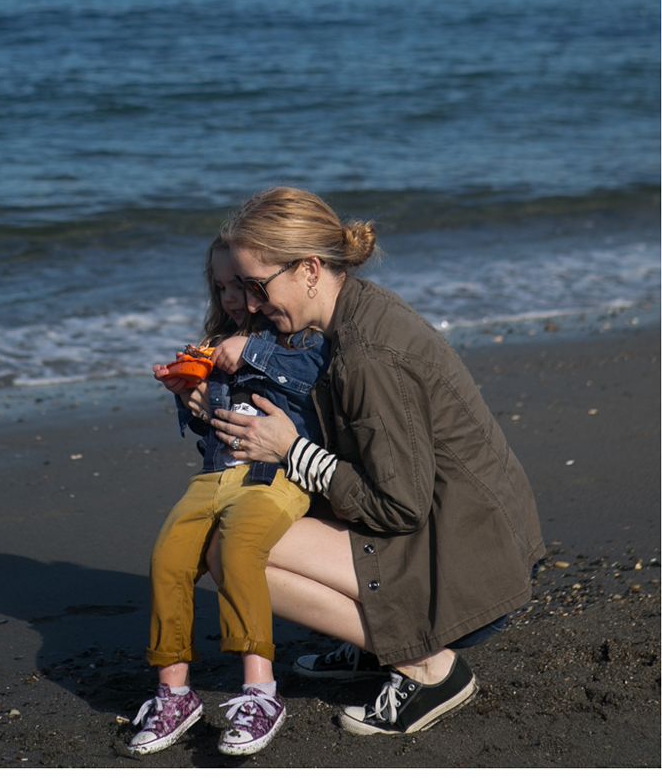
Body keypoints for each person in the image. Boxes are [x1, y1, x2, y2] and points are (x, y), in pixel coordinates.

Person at [208, 186, 544, 737]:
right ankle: (375, 646)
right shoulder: (354, 310)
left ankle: (428, 667)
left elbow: (398, 507)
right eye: (240, 286)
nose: (248, 302)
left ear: (310, 269)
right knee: (255, 523)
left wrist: (290, 450)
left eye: (257, 285)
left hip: (468, 568)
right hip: (474, 535)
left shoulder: (366, 356)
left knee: (233, 549)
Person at [129, 236, 330, 756]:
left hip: (275, 476)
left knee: (240, 550)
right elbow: (208, 427)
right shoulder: (218, 342)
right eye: (220, 288)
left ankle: (260, 691)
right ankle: (174, 693)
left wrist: (252, 351)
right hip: (215, 475)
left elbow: (313, 385)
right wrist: (190, 398)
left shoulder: (297, 338)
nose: (232, 298)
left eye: (240, 285)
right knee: (167, 559)